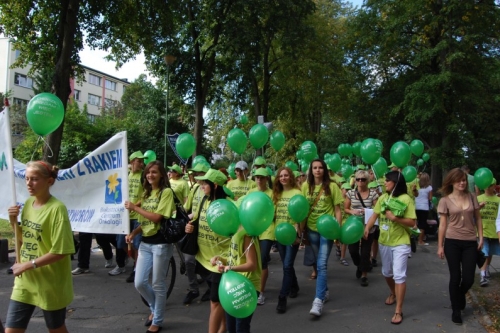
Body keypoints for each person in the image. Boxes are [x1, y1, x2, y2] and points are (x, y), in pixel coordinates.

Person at [6, 161, 75, 333]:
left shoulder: (57, 209)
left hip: (50, 284)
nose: (29, 183)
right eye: (27, 179)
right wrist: (13, 222)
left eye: (35, 179)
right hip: (25, 282)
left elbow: (61, 251)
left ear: (49, 181)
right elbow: (26, 238)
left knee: (56, 329)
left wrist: (27, 265)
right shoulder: (28, 204)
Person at [125, 161, 176, 333]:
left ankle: (158, 320)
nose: (150, 175)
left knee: (158, 284)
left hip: (161, 244)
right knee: (139, 283)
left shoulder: (166, 192)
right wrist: (134, 232)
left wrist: (134, 207)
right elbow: (145, 221)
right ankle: (155, 310)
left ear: (161, 174)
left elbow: (156, 218)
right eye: (148, 172)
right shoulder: (147, 193)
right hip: (146, 243)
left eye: (154, 172)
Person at [364, 170, 416, 325]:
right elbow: (374, 215)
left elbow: (413, 223)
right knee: (387, 272)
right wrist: (367, 228)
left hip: (401, 242)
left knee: (399, 275)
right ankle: (393, 293)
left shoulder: (406, 199)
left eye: (387, 180)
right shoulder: (383, 197)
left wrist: (395, 218)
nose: (384, 182)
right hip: (384, 241)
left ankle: (398, 310)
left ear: (395, 182)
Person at [185, 169, 230, 333]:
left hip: (221, 260)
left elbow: (236, 232)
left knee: (215, 301)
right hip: (204, 259)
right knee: (219, 299)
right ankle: (224, 327)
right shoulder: (204, 200)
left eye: (205, 183)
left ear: (215, 184)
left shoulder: (228, 205)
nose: (201, 185)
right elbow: (196, 218)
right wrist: (189, 226)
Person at [437, 167, 483, 325]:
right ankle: (456, 310)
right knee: (455, 277)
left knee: (469, 278)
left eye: (464, 180)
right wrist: (440, 246)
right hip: (452, 242)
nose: (462, 182)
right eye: (459, 180)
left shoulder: (472, 197)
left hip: (470, 242)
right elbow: (443, 225)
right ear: (452, 182)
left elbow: (478, 218)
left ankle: (460, 294)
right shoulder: (445, 200)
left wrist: (481, 237)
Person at [301, 159, 343, 317]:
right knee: (318, 263)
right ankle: (324, 290)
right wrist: (301, 229)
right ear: (311, 170)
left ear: (324, 170)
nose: (317, 170)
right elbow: (303, 209)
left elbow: (338, 210)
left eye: (320, 168)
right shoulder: (305, 186)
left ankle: (318, 301)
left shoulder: (332, 186)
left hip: (327, 230)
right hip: (311, 229)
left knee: (322, 264)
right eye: (314, 168)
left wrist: (337, 231)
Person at [211, 226, 261, 333]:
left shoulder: (246, 234)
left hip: (247, 285)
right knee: (231, 327)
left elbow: (252, 265)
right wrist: (221, 260)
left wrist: (231, 268)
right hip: (234, 284)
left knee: (241, 328)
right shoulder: (233, 232)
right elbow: (234, 259)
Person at [271, 167, 303, 313]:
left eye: (286, 175)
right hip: (279, 234)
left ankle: (282, 297)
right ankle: (294, 286)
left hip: (292, 235)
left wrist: (298, 234)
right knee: (286, 265)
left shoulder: (297, 193)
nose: (283, 178)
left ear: (291, 177)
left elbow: (301, 214)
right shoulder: (276, 194)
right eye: (281, 176)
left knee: (287, 266)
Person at [182, 163, 210, 304]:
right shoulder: (194, 188)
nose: (197, 176)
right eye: (196, 174)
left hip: (206, 230)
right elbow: (187, 207)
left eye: (200, 173)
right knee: (188, 260)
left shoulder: (210, 189)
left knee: (204, 261)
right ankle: (194, 289)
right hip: (193, 229)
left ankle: (211, 286)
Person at [345, 170, 379, 287]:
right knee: (353, 250)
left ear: (367, 181)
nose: (360, 181)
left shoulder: (373, 194)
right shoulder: (350, 193)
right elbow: (345, 208)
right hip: (354, 226)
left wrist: (368, 211)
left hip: (368, 225)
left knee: (365, 251)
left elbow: (378, 209)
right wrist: (352, 211)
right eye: (358, 179)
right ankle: (360, 265)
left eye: (363, 179)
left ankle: (364, 275)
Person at [245, 168, 273, 306]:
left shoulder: (272, 194)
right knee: (252, 260)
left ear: (267, 179)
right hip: (252, 230)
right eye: (257, 178)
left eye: (262, 177)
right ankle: (253, 287)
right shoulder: (250, 192)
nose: (259, 180)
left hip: (267, 230)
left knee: (262, 260)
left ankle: (261, 292)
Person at [121, 151, 145, 282]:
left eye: (142, 161)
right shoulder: (125, 176)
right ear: (132, 162)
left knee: (136, 244)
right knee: (121, 243)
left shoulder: (144, 177)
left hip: (138, 216)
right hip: (125, 217)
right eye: (138, 161)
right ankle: (137, 262)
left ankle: (136, 269)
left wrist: (134, 206)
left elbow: (146, 195)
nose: (141, 163)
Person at [477, 178, 500, 287]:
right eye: (487, 185)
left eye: (491, 185)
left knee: (489, 252)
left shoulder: (498, 200)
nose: (489, 187)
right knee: (484, 252)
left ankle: (487, 268)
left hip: (494, 230)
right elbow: (474, 213)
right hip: (483, 230)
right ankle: (483, 275)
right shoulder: (479, 198)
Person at [415, 172, 432, 246]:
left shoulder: (416, 186)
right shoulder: (429, 188)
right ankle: (420, 240)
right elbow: (430, 198)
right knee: (422, 224)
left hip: (416, 206)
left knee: (415, 223)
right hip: (424, 207)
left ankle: (412, 238)